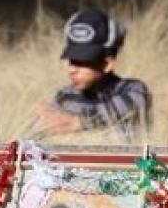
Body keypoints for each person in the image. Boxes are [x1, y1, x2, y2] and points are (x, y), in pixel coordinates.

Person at [38, 8, 152, 140]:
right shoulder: (66, 96)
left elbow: (122, 109)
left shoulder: (133, 90)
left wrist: (79, 122)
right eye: (72, 61)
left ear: (107, 64)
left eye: (82, 62)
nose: (72, 69)